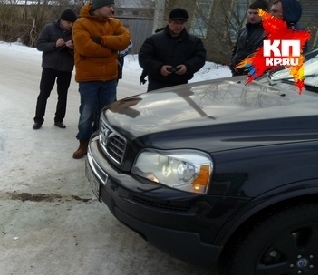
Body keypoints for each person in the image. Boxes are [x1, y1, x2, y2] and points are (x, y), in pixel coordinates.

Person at [71, 0, 131, 159]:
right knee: (87, 113)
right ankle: (83, 143)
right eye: (109, 6)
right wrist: (111, 50)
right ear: (97, 7)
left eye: (113, 6)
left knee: (106, 114)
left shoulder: (115, 23)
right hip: (89, 78)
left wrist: (102, 40)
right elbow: (85, 48)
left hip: (110, 78)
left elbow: (125, 40)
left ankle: (102, 142)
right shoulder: (80, 24)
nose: (112, 9)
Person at [138, 8, 206, 92]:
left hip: (181, 85)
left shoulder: (193, 42)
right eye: (176, 23)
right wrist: (159, 68)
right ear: (169, 22)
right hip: (157, 84)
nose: (179, 26)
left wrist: (187, 67)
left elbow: (200, 58)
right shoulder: (154, 40)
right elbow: (144, 58)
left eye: (182, 23)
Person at [33, 8, 77, 130]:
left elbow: (80, 51)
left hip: (66, 68)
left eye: (73, 23)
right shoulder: (49, 28)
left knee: (63, 95)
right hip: (49, 67)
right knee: (44, 94)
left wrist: (72, 47)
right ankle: (38, 120)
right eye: (68, 23)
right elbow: (39, 45)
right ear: (62, 20)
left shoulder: (76, 32)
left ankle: (59, 120)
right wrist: (54, 44)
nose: (71, 25)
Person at [230, 0, 270, 76]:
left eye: (256, 13)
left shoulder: (269, 33)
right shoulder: (243, 30)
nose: (252, 16)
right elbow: (235, 50)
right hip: (237, 75)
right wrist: (233, 65)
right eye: (250, 13)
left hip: (257, 77)